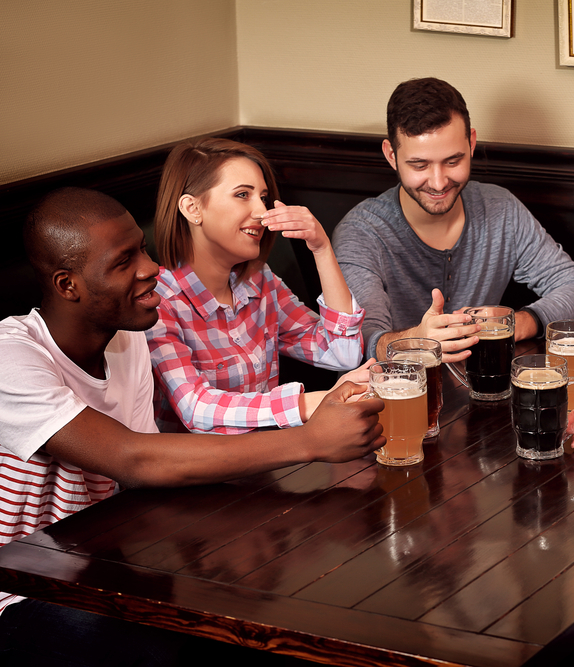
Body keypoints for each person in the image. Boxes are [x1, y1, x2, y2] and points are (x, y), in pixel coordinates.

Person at [0, 187, 385, 664]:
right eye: (124, 262)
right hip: (17, 590)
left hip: (103, 566)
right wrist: (310, 439)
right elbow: (134, 458)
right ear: (67, 285)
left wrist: (300, 525)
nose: (151, 268)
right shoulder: (9, 357)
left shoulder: (127, 342)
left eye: (141, 248)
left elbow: (141, 486)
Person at [332, 77, 574, 361]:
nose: (438, 182)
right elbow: (359, 343)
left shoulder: (500, 208)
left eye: (452, 161)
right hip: (388, 395)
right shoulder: (362, 232)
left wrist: (517, 323)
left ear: (471, 143)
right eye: (419, 165)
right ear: (391, 156)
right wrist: (417, 340)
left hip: (476, 386)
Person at [145, 138, 369, 434]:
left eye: (263, 197)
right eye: (242, 195)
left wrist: (322, 248)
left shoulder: (260, 282)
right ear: (192, 208)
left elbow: (343, 353)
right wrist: (315, 403)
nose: (261, 213)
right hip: (191, 473)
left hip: (267, 461)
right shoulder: (158, 301)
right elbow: (196, 408)